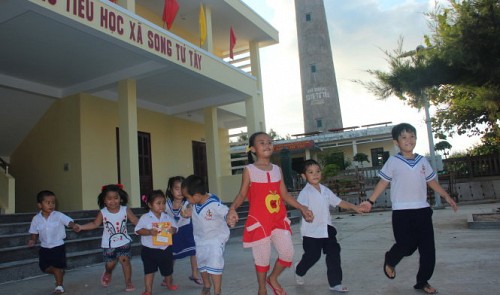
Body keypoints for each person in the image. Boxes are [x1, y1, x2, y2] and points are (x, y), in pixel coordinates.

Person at [360, 123, 458, 295]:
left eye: (412, 136)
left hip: (422, 211)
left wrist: (446, 196)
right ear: (396, 142)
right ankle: (390, 259)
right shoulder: (393, 162)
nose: (409, 140)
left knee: (428, 250)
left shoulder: (422, 161)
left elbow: (431, 181)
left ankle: (423, 282)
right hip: (402, 213)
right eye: (404, 137)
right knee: (406, 246)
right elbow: (383, 182)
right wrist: (370, 201)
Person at [226, 131, 314, 295]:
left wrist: (302, 208)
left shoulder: (277, 169)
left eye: (269, 142)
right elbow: (242, 194)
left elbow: (285, 195)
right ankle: (262, 289)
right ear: (253, 149)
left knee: (287, 254)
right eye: (262, 142)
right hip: (259, 221)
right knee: (262, 258)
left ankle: (273, 278)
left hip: (278, 219)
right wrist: (232, 209)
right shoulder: (249, 170)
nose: (267, 145)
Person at [294, 159, 364, 293]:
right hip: (311, 232)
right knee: (313, 256)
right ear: (304, 176)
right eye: (311, 172)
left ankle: (335, 283)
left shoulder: (325, 190)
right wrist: (306, 215)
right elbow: (302, 208)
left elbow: (339, 202)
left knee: (334, 253)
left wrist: (354, 207)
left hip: (327, 229)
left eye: (318, 171)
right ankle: (299, 269)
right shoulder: (305, 193)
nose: (315, 174)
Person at [73, 184, 139, 292]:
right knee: (110, 264)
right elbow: (95, 224)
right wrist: (81, 227)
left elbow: (135, 221)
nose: (113, 201)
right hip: (109, 244)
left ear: (120, 198)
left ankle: (128, 281)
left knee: (125, 261)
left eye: (116, 198)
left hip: (124, 241)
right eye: (109, 199)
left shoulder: (125, 210)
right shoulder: (103, 212)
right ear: (104, 200)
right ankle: (108, 272)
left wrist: (148, 225)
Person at [181, 175, 230, 295]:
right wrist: (185, 213)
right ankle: (207, 285)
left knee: (214, 264)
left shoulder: (214, 204)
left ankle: (217, 291)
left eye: (187, 197)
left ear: (197, 195)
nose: (186, 200)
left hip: (216, 239)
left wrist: (231, 217)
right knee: (202, 263)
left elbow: (226, 212)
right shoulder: (192, 203)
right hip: (200, 239)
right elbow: (184, 211)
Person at [28, 190, 76, 294]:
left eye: (53, 202)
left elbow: (68, 221)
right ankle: (58, 272)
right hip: (44, 247)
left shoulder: (58, 215)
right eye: (48, 202)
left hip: (58, 246)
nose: (51, 205)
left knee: (57, 266)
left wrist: (74, 226)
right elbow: (34, 231)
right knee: (44, 267)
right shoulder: (36, 219)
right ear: (40, 205)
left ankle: (59, 286)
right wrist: (33, 240)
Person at [135, 190, 178, 295]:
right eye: (158, 203)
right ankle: (148, 290)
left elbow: (176, 227)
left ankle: (168, 283)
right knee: (149, 271)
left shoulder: (167, 217)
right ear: (150, 204)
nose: (161, 206)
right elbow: (138, 230)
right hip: (149, 250)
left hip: (165, 249)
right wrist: (149, 232)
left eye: (163, 203)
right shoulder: (145, 218)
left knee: (168, 270)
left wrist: (173, 230)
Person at [164, 176, 203, 286]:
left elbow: (191, 209)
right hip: (172, 232)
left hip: (187, 230)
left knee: (193, 251)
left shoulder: (188, 203)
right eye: (176, 188)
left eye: (182, 189)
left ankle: (195, 273)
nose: (180, 192)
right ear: (171, 190)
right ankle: (168, 276)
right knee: (171, 256)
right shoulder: (166, 204)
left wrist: (189, 212)